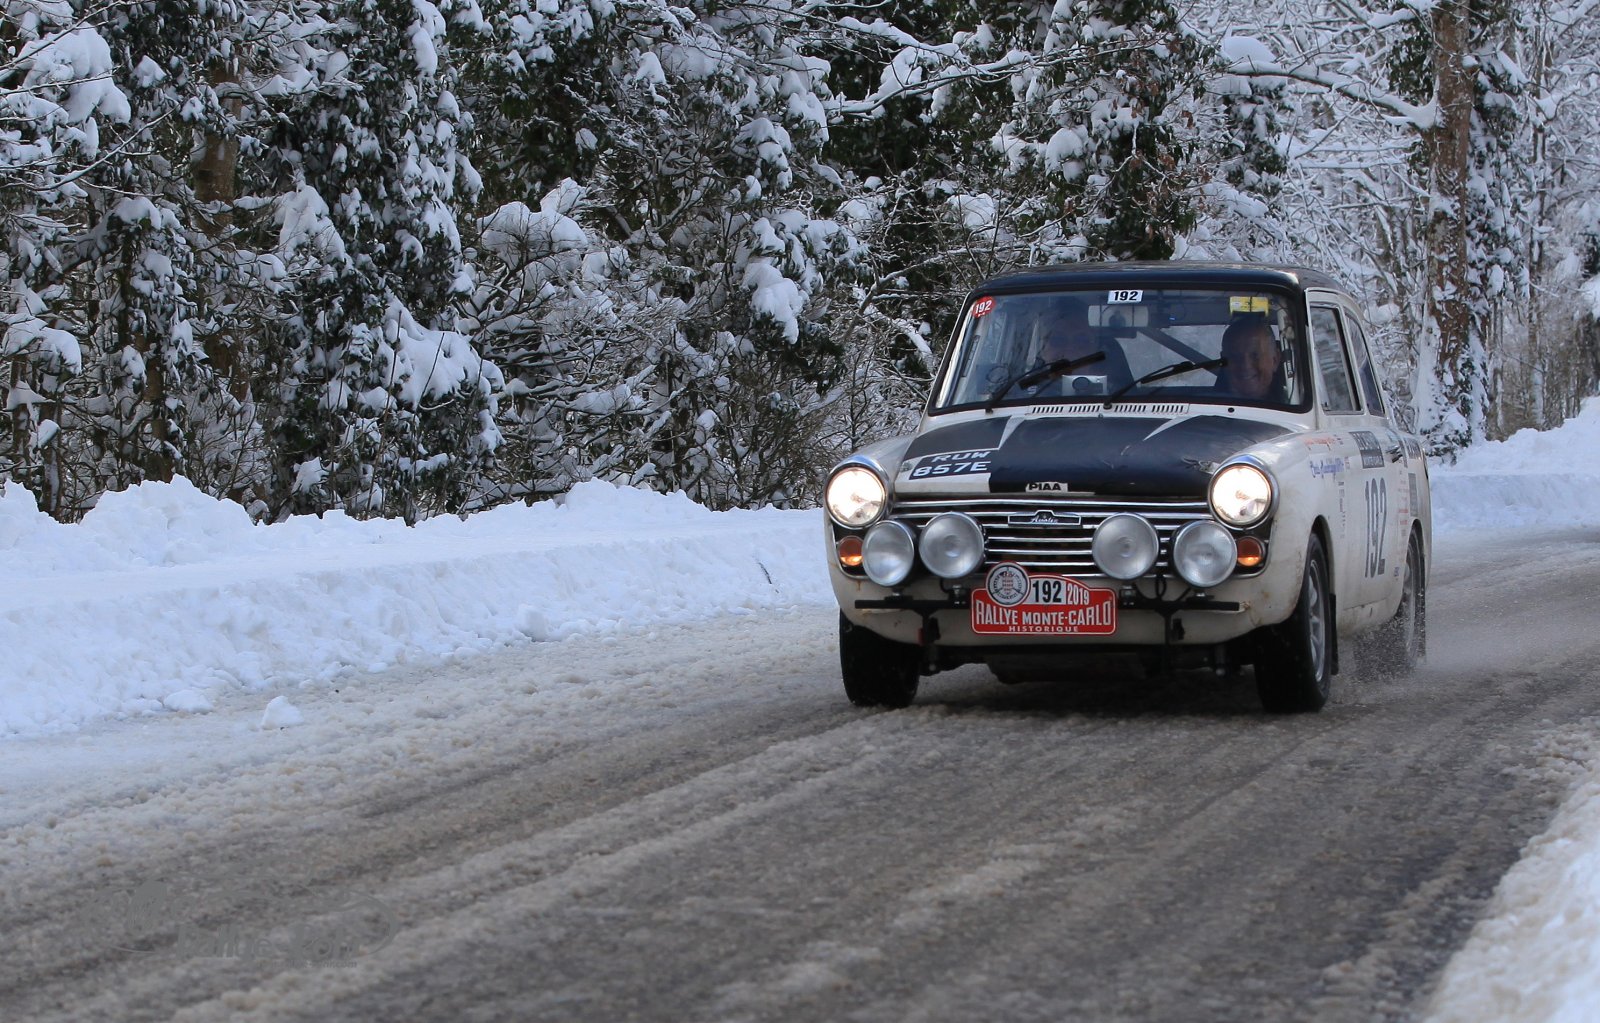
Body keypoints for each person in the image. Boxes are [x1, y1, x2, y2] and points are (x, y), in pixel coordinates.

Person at [1031, 304, 1131, 394]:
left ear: (1094, 349)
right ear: (1042, 350)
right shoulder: (1025, 396)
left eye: (1081, 341)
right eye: (1057, 340)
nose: (1069, 350)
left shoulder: (1120, 394)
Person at [1217, 318, 1284, 401]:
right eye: (1236, 356)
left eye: (1255, 355)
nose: (1246, 365)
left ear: (1275, 360)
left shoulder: (1296, 404)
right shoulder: (1205, 406)